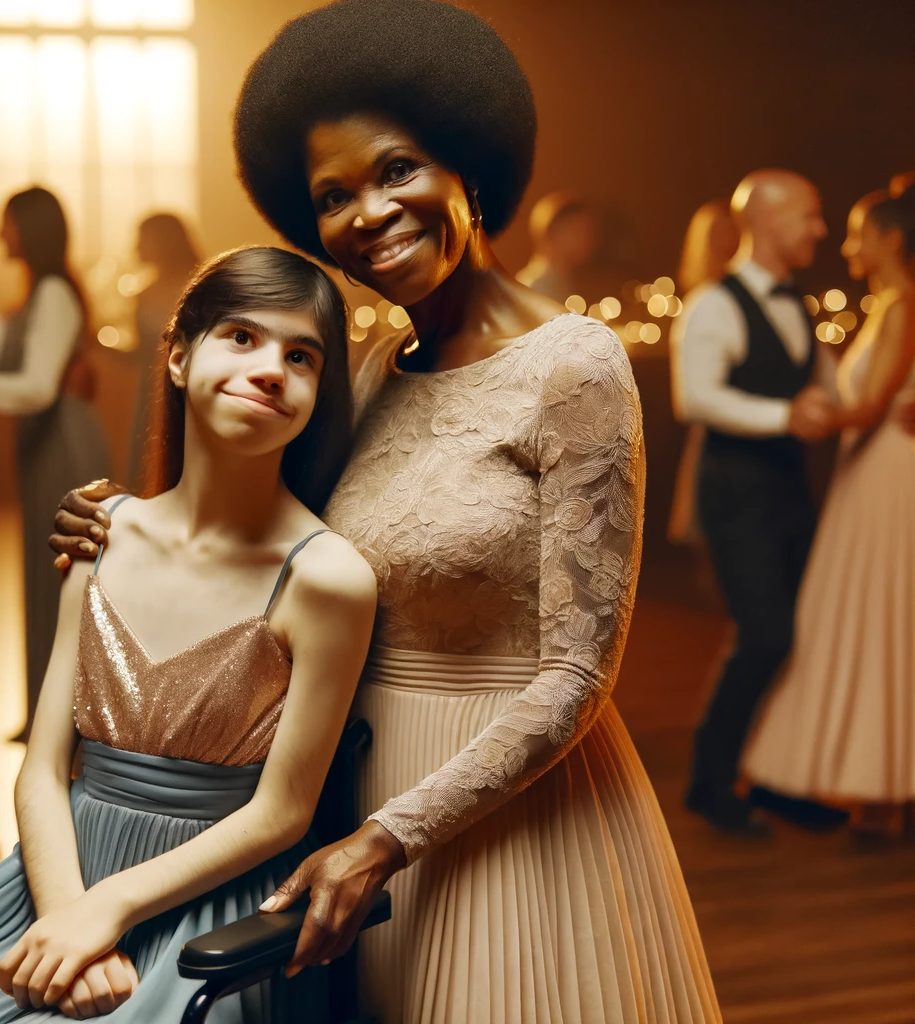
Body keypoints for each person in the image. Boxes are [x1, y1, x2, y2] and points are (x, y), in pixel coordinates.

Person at [52, 3, 722, 1021]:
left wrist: (391, 836)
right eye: (334, 194)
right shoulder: (365, 372)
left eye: (396, 170)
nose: (368, 210)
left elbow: (580, 672)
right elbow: (263, 539)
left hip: (506, 824)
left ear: (466, 171)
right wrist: (123, 520)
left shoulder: (573, 363)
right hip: (340, 801)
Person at [0, 245, 377, 1023]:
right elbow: (44, 768)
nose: (270, 369)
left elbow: (283, 812)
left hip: (204, 907)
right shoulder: (101, 531)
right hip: (54, 880)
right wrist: (66, 917)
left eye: (302, 356)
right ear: (180, 360)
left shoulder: (330, 579)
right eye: (241, 338)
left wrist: (110, 911)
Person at [670, 170, 850, 836]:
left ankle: (780, 777)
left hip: (790, 491)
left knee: (802, 638)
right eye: (811, 216)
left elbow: (828, 389)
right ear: (771, 221)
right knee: (765, 634)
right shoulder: (714, 304)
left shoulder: (797, 302)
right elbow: (695, 397)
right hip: (737, 494)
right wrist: (784, 416)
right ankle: (709, 781)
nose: (820, 230)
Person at [743, 191, 915, 837]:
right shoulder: (886, 307)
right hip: (868, 473)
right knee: (881, 623)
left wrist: (810, 418)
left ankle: (885, 789)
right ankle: (884, 785)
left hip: (889, 474)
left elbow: (871, 406)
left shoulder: (902, 305)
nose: (847, 247)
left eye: (857, 234)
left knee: (884, 624)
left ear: (892, 242)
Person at [0, 186, 111, 743]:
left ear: (29, 228)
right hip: (42, 445)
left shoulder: (52, 292)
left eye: (7, 223)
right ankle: (46, 715)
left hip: (62, 444)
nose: (0, 234)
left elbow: (37, 387)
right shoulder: (40, 292)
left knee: (63, 578)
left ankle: (69, 725)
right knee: (45, 577)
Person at [668, 200, 740, 548]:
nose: (730, 240)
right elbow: (688, 396)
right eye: (720, 233)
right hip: (715, 431)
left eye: (734, 230)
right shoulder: (703, 303)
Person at [126, 213, 201, 492]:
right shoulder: (143, 294)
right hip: (150, 392)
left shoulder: (198, 288)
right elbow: (141, 352)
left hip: (190, 392)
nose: (136, 247)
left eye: (142, 239)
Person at [515, 190, 601, 303]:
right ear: (555, 233)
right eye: (580, 232)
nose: (590, 241)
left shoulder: (561, 282)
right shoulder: (538, 288)